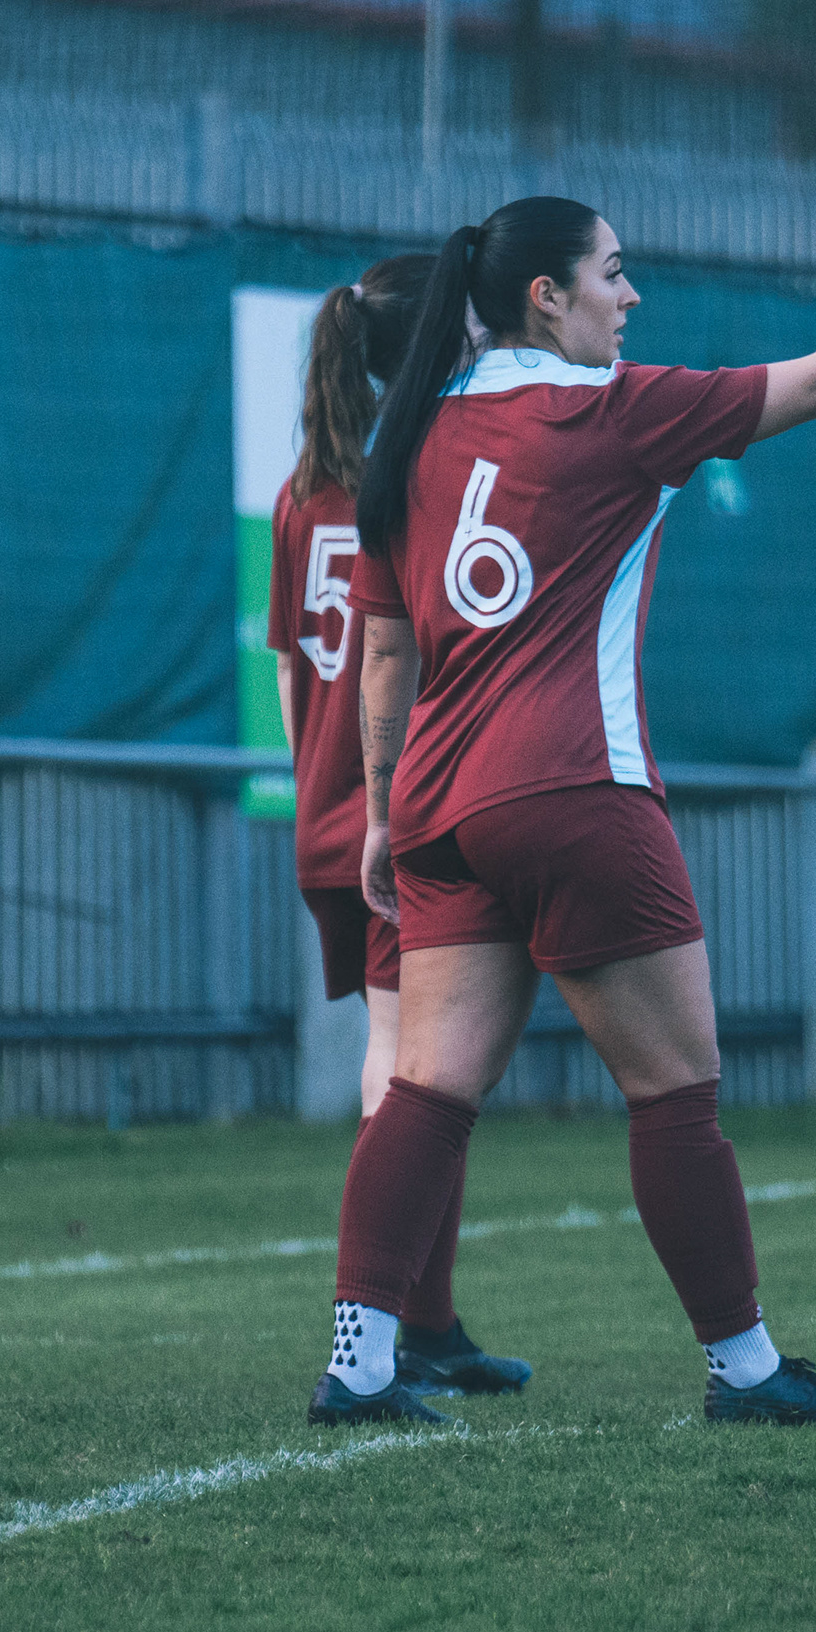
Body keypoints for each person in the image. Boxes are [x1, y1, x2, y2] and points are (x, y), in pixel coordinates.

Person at [309, 194, 816, 1426]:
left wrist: (382, 814)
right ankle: (745, 1370)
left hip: (440, 806)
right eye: (613, 272)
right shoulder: (612, 410)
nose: (630, 295)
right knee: (675, 1091)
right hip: (575, 790)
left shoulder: (411, 438)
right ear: (547, 296)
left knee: (427, 1089)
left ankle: (360, 1362)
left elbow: (385, 656)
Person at [267, 255, 532, 1397]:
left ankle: (428, 1326)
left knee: (428, 1067)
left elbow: (291, 670)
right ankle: (372, 1338)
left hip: (329, 809)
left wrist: (319, 795)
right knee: (411, 1074)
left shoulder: (300, 494)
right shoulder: (428, 474)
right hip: (403, 811)